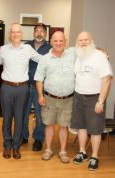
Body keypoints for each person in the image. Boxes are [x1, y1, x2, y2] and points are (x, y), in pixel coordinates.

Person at [0, 23, 41, 159]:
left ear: (21, 34)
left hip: (22, 88)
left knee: (20, 119)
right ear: (10, 34)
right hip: (6, 88)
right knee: (7, 119)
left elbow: (42, 59)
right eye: (13, 32)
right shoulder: (3, 49)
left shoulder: (28, 49)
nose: (15, 34)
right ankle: (7, 145)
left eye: (18, 32)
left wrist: (59, 54)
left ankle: (16, 146)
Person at [71, 32, 113, 171]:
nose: (83, 42)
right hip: (78, 96)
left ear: (92, 41)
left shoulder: (100, 57)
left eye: (86, 40)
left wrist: (100, 101)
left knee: (95, 130)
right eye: (80, 40)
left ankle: (94, 156)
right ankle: (82, 152)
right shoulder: (78, 55)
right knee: (81, 127)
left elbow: (107, 79)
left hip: (95, 98)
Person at [34, 31, 76, 164]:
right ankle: (48, 149)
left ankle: (63, 151)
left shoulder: (72, 54)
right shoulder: (44, 59)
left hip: (68, 99)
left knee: (64, 126)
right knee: (49, 125)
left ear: (65, 41)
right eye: (55, 41)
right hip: (49, 98)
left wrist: (102, 51)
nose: (58, 43)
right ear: (51, 42)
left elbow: (87, 47)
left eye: (61, 41)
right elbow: (39, 79)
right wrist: (40, 95)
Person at [22, 23, 51, 151]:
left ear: (45, 34)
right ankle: (23, 136)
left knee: (40, 115)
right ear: (33, 33)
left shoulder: (50, 48)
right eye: (37, 31)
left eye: (42, 31)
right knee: (23, 113)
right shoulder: (25, 46)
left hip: (41, 88)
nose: (39, 33)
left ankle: (38, 139)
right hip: (24, 85)